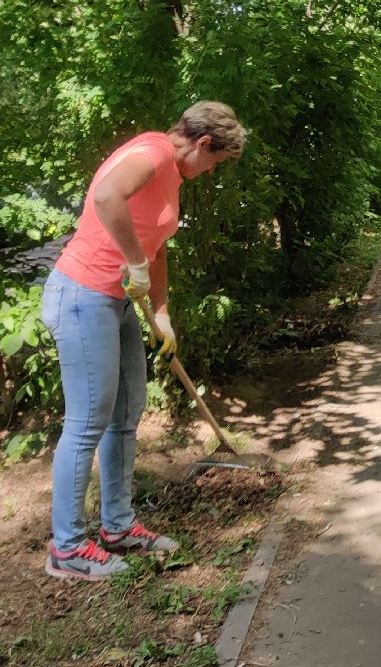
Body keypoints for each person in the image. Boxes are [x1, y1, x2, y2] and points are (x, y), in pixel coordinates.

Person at [39, 102, 247, 581]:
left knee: (126, 413)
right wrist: (133, 262)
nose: (211, 171)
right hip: (83, 295)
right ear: (202, 143)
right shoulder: (154, 152)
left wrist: (162, 314)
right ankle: (67, 548)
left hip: (115, 302)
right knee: (86, 423)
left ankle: (117, 527)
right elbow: (107, 196)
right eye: (214, 161)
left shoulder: (172, 174)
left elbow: (157, 247)